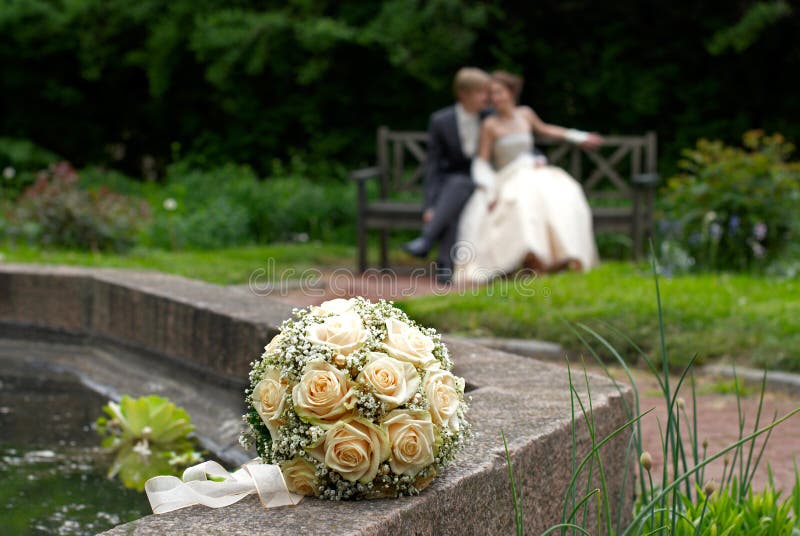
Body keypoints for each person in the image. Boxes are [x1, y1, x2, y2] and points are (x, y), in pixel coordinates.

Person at [454, 71, 602, 282]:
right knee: (522, 201)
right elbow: (482, 161)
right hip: (509, 176)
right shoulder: (490, 125)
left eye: (498, 92)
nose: (495, 98)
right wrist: (487, 187)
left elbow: (547, 130)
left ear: (510, 92)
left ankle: (560, 255)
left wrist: (579, 136)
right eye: (490, 94)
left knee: (566, 193)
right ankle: (531, 258)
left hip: (534, 170)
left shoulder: (525, 114)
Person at [402, 67, 491, 283]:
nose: (486, 98)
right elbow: (433, 166)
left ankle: (428, 242)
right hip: (451, 185)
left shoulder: (490, 117)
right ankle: (445, 266)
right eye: (481, 93)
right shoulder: (441, 120)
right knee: (455, 198)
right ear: (463, 94)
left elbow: (515, 138)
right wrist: (429, 206)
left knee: (457, 188)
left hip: (483, 181)